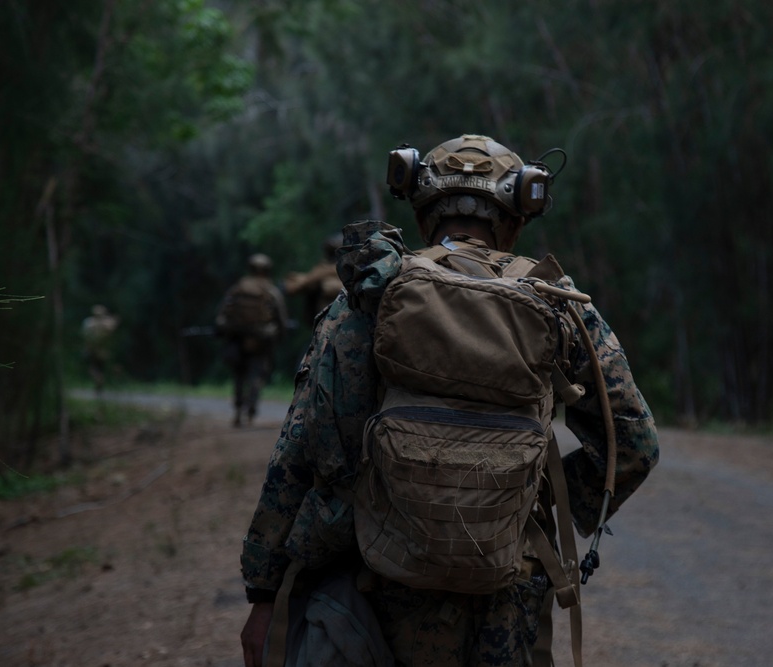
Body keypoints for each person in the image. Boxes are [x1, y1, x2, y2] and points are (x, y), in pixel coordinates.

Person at [239, 135, 660, 666]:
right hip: (511, 582)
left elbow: (301, 451)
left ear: (420, 212)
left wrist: (263, 591)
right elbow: (636, 444)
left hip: (382, 576)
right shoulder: (557, 305)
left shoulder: (371, 299)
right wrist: (518, 499)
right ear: (516, 217)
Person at [216, 253, 289, 427]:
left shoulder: (237, 288)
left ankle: (238, 410)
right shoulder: (271, 291)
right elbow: (281, 319)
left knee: (239, 375)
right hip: (261, 341)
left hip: (238, 338)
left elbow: (222, 313)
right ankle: (251, 410)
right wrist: (280, 337)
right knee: (257, 375)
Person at [282, 233, 345, 326]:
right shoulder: (325, 269)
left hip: (334, 321)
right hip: (326, 322)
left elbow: (296, 286)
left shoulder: (329, 270)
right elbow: (292, 288)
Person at [81, 304, 120, 397]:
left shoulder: (89, 323)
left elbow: (85, 335)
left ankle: (98, 380)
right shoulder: (107, 324)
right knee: (100, 368)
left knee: (92, 367)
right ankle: (99, 382)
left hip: (92, 349)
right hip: (103, 350)